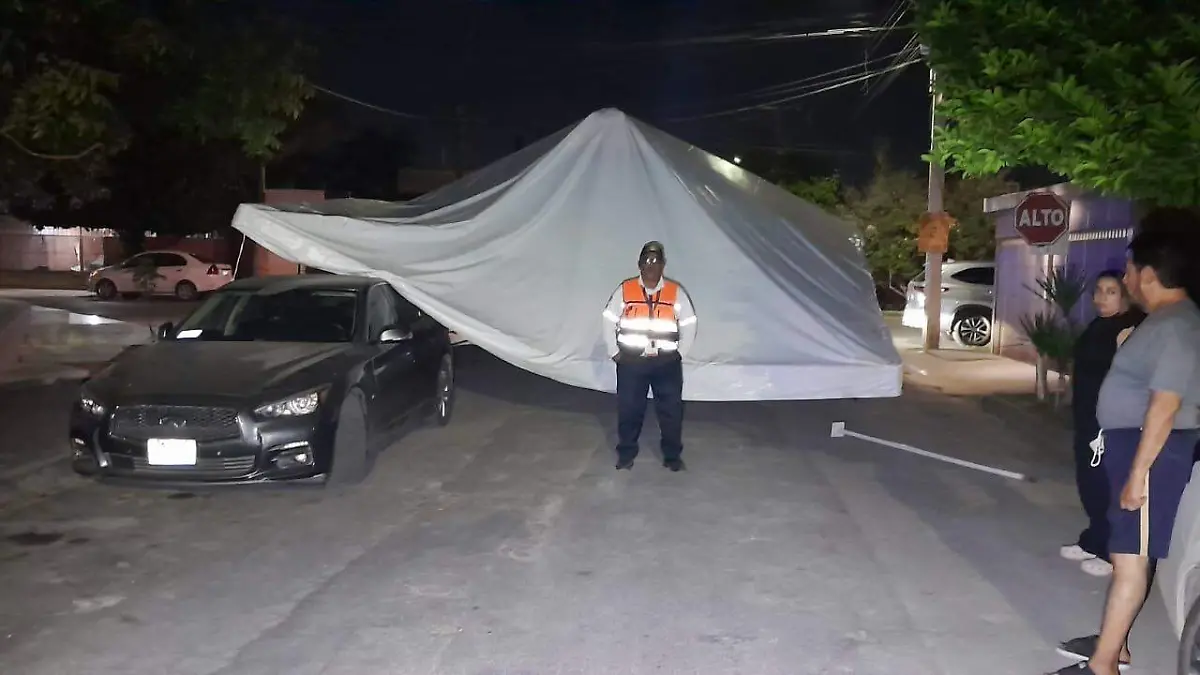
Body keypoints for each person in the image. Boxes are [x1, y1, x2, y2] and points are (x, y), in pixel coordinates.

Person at [1051, 218, 1200, 675]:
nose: (1127, 276)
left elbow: (1165, 405)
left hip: (1151, 453)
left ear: (1149, 274)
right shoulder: (1163, 322)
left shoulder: (1177, 325)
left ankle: (1104, 665)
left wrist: (1138, 475)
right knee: (1127, 555)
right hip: (1134, 447)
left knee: (1131, 561)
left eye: (1131, 268)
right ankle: (1116, 646)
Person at [1060, 271, 1145, 578]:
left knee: (1106, 486)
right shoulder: (1099, 325)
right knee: (1088, 482)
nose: (1101, 297)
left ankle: (1112, 552)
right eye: (1098, 290)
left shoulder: (1133, 328)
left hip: (1112, 420)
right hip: (1087, 416)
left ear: (1125, 295)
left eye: (1110, 291)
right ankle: (1094, 539)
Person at [601, 241, 697, 472]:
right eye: (647, 261)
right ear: (639, 264)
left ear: (663, 265)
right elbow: (608, 320)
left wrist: (679, 354)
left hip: (666, 363)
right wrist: (614, 352)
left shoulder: (675, 292)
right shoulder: (625, 290)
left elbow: (689, 323)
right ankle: (626, 454)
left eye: (656, 261)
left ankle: (672, 456)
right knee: (629, 410)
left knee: (671, 412)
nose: (651, 266)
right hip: (632, 362)